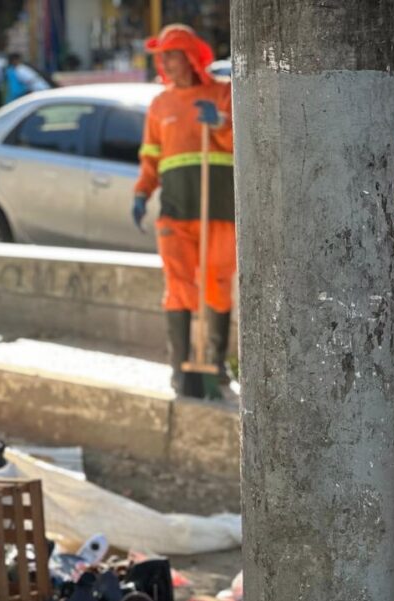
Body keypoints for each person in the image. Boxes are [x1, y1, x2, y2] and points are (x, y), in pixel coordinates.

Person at [133, 24, 234, 395]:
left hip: (218, 208)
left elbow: (243, 143)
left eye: (172, 55)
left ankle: (215, 364)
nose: (165, 63)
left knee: (217, 284)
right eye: (162, 57)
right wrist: (141, 192)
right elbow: (151, 157)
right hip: (175, 209)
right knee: (178, 286)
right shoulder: (160, 105)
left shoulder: (222, 94)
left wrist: (220, 123)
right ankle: (180, 368)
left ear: (190, 57)